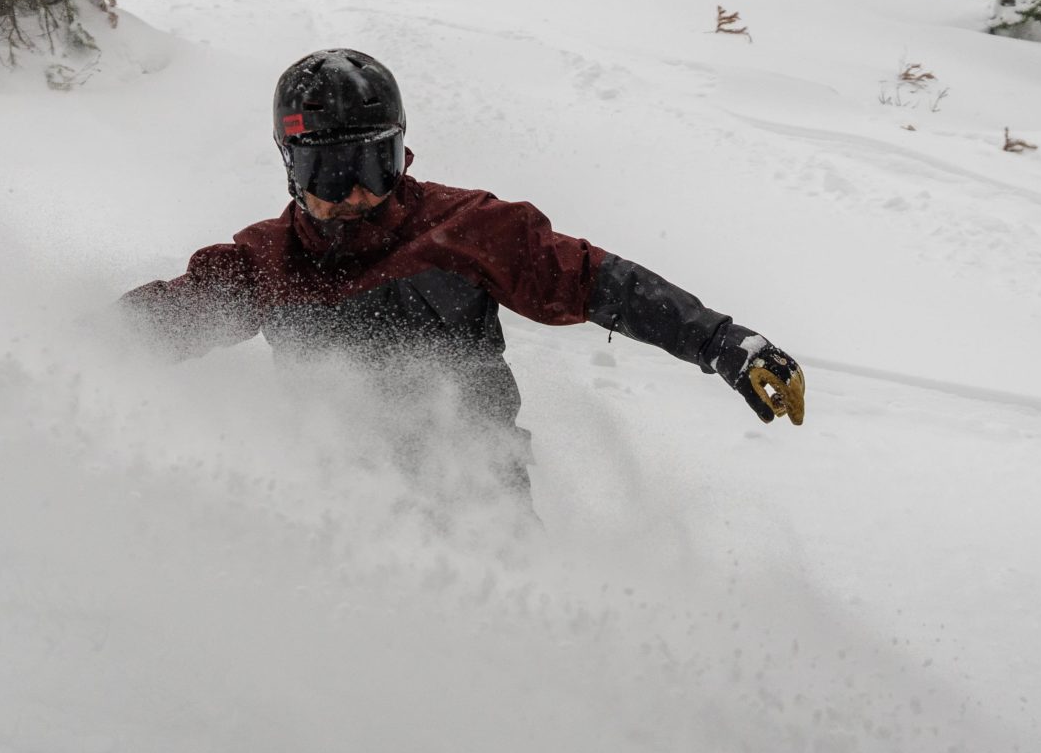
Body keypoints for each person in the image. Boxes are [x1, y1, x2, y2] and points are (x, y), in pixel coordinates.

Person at [122, 49, 804, 502]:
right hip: (338, 502)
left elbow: (599, 281)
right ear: (289, 167)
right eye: (328, 172)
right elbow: (166, 321)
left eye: (374, 166)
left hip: (477, 490)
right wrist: (33, 354)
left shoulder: (465, 230)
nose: (355, 195)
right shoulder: (269, 261)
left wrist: (718, 341)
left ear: (402, 153)